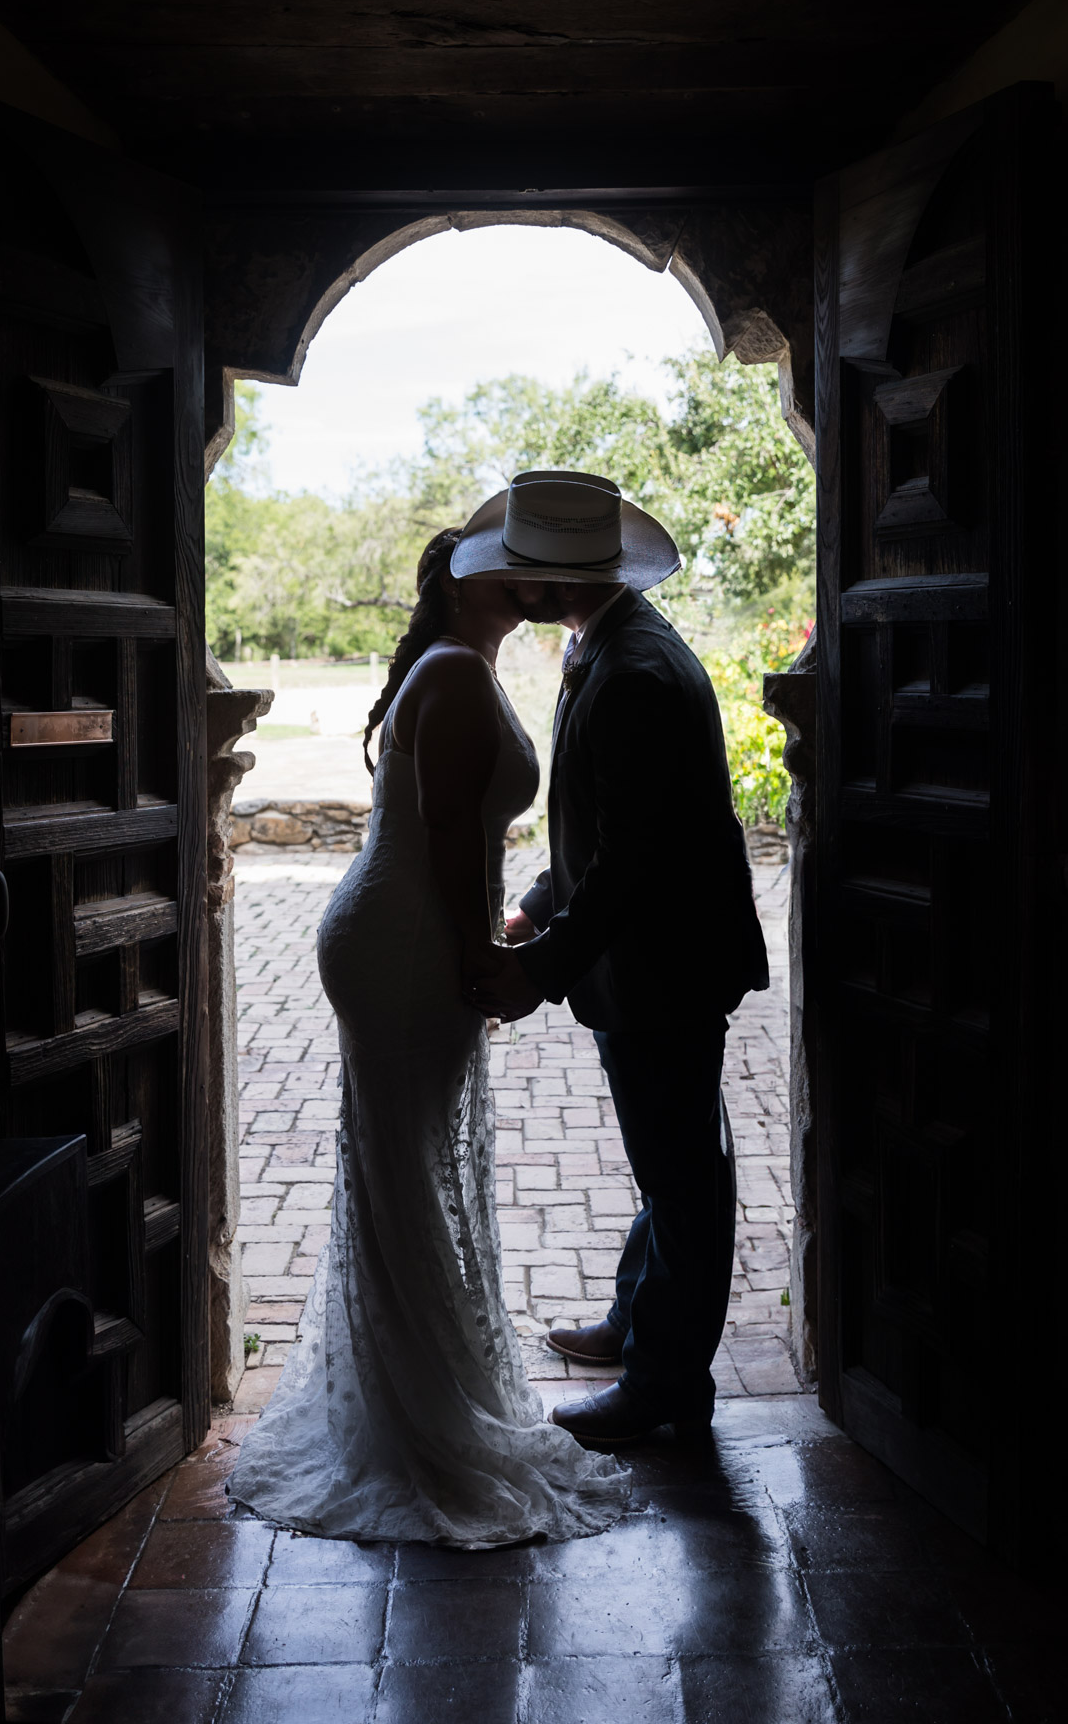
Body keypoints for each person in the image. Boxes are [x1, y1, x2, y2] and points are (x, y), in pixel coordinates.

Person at [229, 527, 629, 1548]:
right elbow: (449, 835)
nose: (533, 576)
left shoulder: (470, 667)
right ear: (462, 581)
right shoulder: (452, 673)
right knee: (404, 1174)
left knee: (403, 1167)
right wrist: (472, 955)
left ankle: (425, 1400)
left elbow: (462, 836)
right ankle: (416, 1426)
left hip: (412, 929)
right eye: (511, 565)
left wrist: (494, 928)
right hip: (403, 943)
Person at [463, 470, 770, 1447]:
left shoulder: (633, 673)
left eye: (526, 571)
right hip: (659, 960)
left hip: (665, 965)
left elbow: (632, 863)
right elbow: (598, 829)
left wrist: (538, 970)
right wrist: (531, 908)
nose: (516, 584)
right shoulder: (608, 644)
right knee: (670, 1159)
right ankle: (639, 1321)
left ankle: (664, 1383)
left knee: (681, 1176)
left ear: (563, 577)